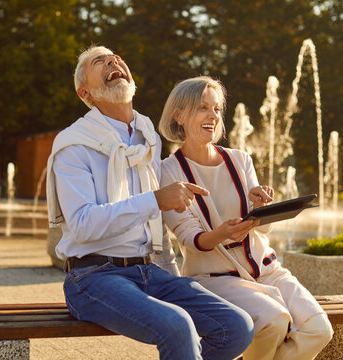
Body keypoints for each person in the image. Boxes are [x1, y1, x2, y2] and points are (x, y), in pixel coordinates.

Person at [46, 46, 254, 360]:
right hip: (92, 279)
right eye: (98, 61)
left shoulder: (147, 136)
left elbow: (153, 223)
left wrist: (171, 274)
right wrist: (155, 199)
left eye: (116, 57)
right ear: (84, 91)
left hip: (148, 271)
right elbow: (82, 225)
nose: (112, 61)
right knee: (178, 326)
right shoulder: (73, 145)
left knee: (237, 325)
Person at [158, 76, 333, 360]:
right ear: (179, 114)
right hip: (216, 277)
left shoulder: (240, 160)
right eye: (203, 107)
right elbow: (190, 239)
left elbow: (261, 229)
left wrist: (262, 207)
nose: (213, 116)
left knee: (320, 330)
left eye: (216, 109)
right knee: (273, 323)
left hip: (267, 270)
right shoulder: (169, 170)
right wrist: (224, 233)